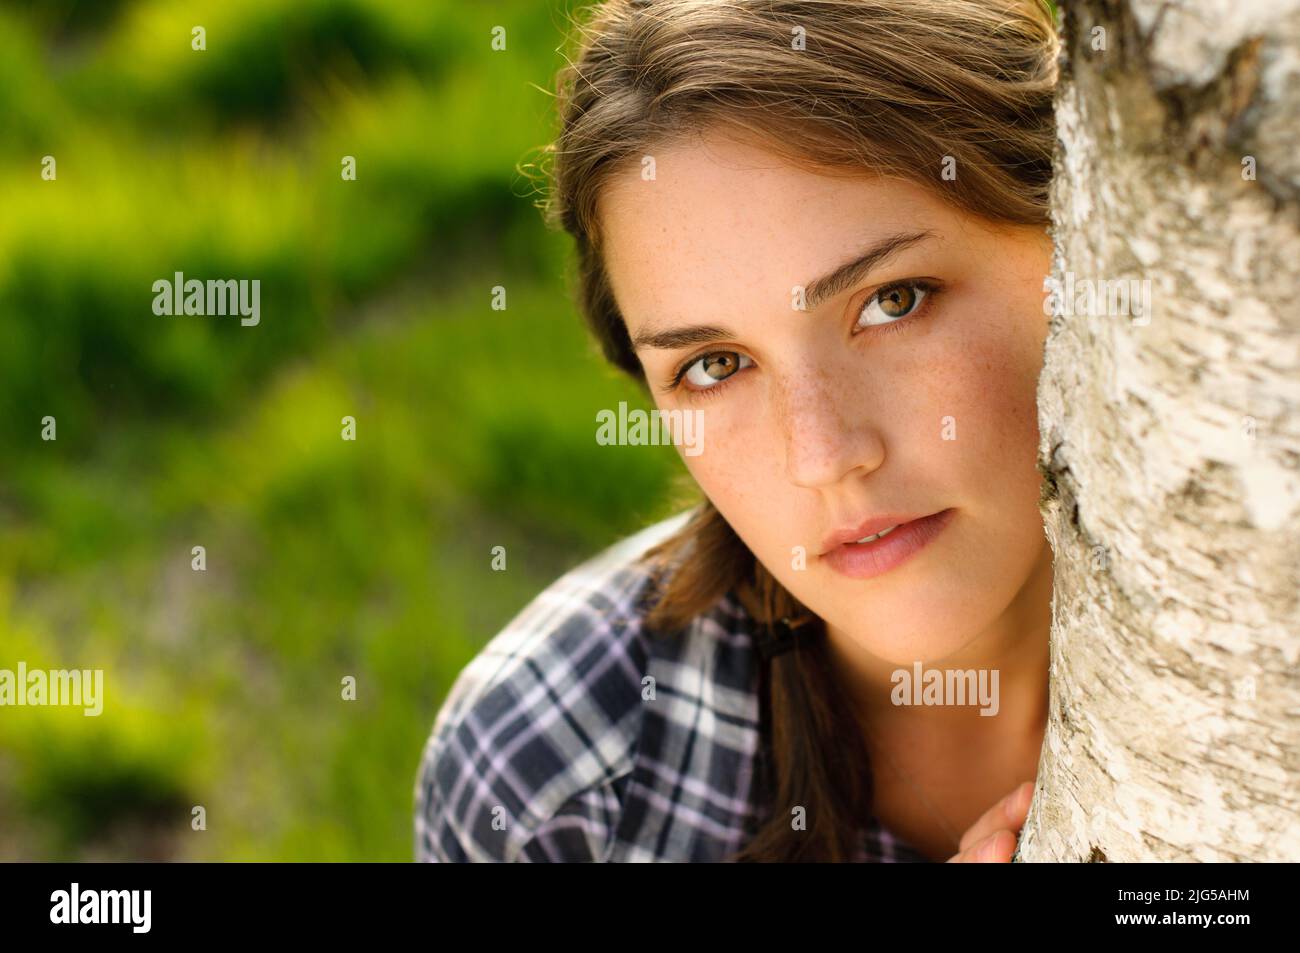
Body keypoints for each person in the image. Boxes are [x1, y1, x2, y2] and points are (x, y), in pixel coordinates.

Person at [415, 0, 1058, 862]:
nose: (823, 455)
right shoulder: (551, 790)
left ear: (1083, 239)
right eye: (715, 365)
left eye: (891, 302)